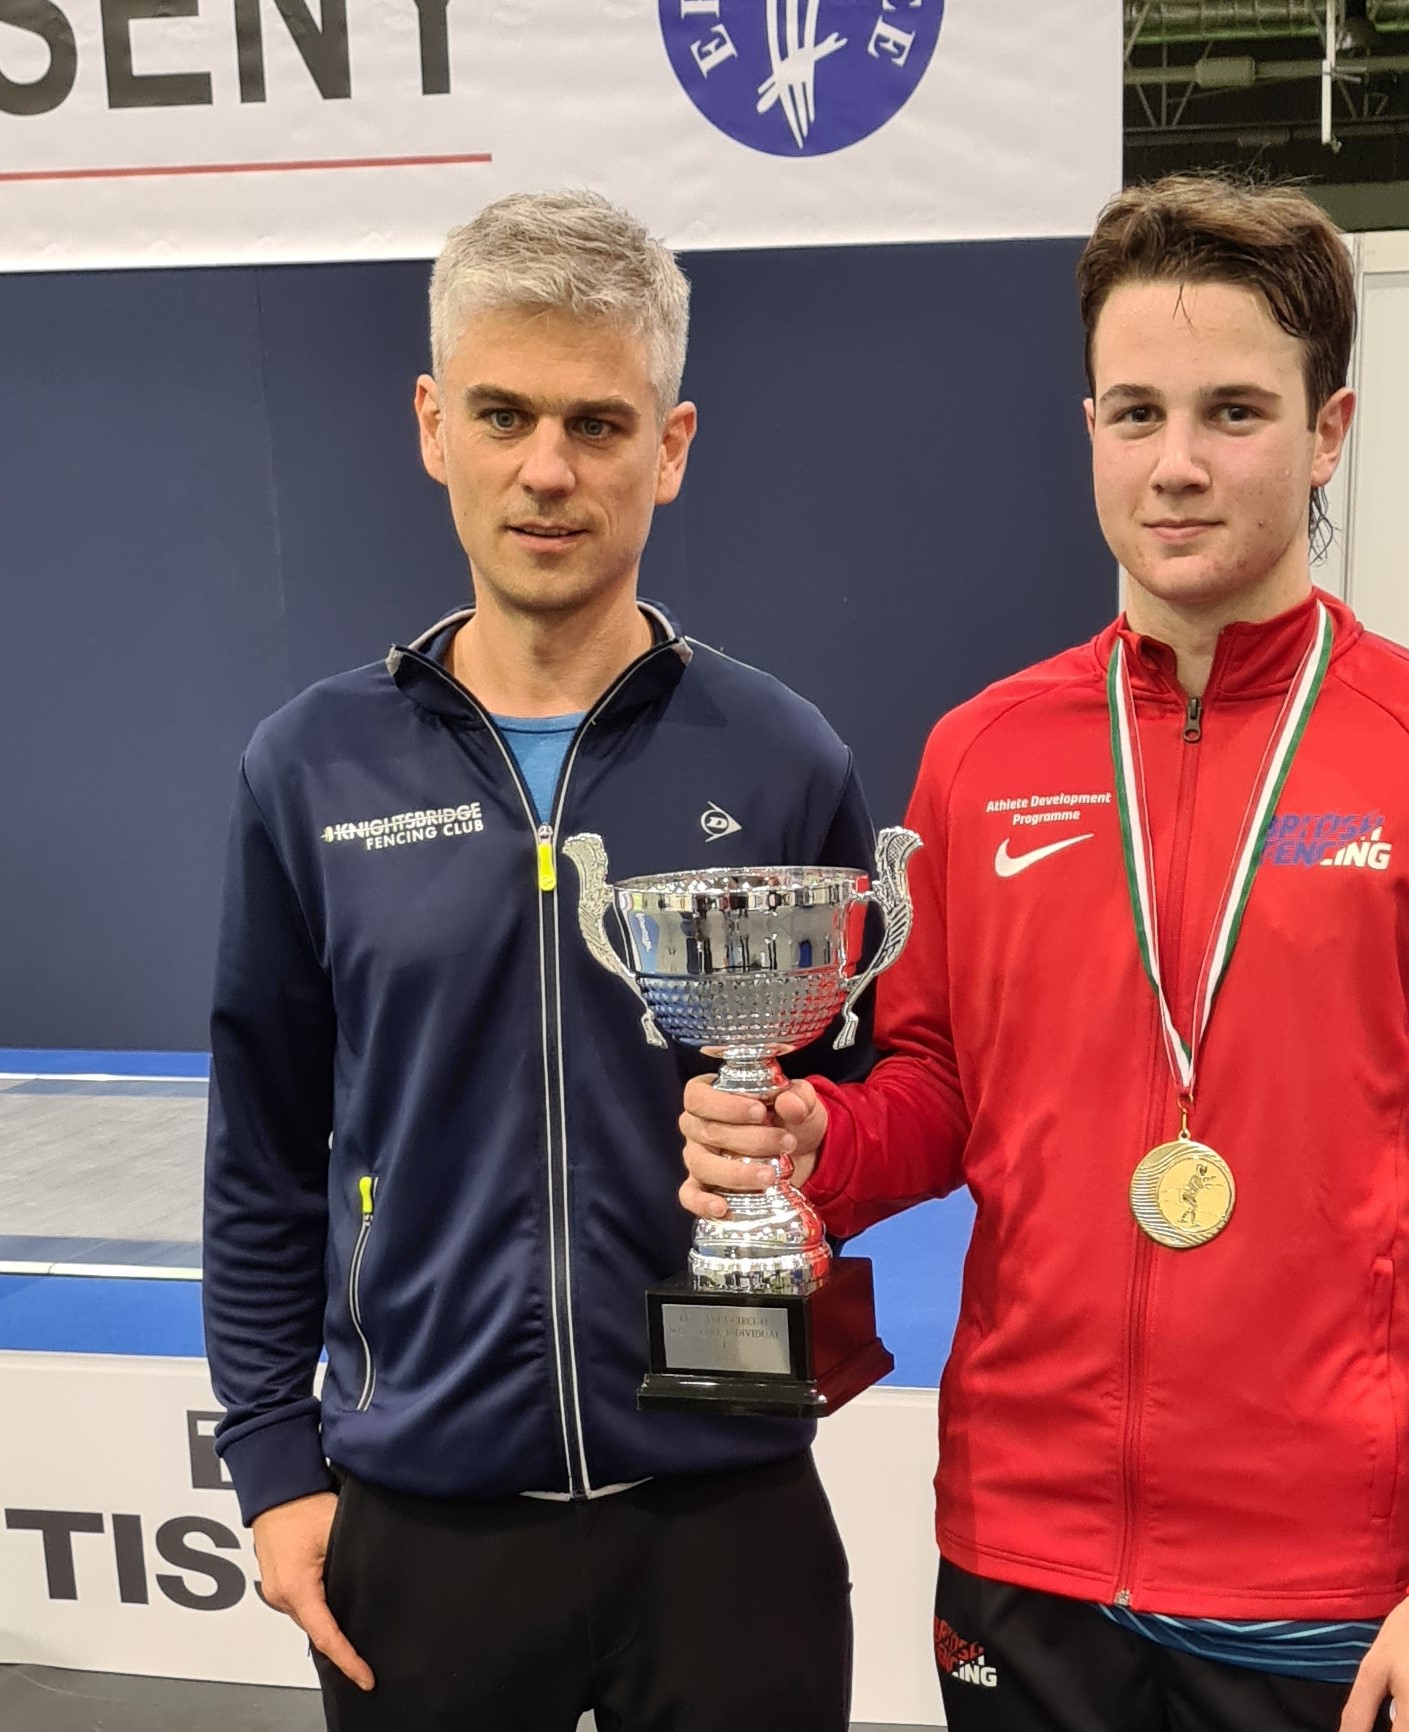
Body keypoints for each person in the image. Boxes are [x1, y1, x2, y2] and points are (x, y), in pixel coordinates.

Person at [679, 174, 1409, 1732]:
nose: (1175, 463)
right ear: (1089, 428)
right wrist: (811, 1143)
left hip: (1322, 1583)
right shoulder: (981, 754)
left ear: (1327, 432)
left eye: (1233, 411)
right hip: (1018, 1556)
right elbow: (940, 1090)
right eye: (1134, 413)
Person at [202, 191, 869, 1732]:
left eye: (597, 423)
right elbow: (263, 1150)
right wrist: (273, 1465)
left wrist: (812, 1152)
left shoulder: (781, 757)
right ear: (433, 425)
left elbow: (868, 1101)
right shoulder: (310, 768)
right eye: (503, 415)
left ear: (670, 447)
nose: (548, 470)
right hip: (423, 1520)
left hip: (728, 1508)